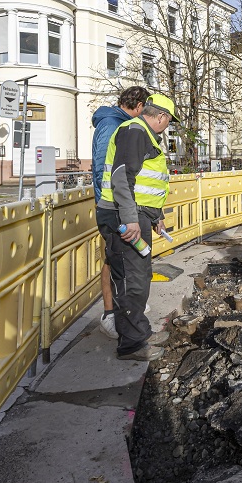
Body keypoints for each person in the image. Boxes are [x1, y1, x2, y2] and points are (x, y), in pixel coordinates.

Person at [96, 93, 178, 361]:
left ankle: (138, 333)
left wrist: (155, 215)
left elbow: (144, 183)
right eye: (169, 121)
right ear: (162, 117)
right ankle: (132, 344)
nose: (167, 126)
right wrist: (130, 218)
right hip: (124, 216)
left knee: (140, 277)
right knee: (131, 281)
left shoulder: (141, 133)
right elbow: (122, 176)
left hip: (137, 214)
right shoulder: (134, 132)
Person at [91, 87, 150, 338]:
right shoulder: (113, 125)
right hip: (114, 206)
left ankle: (126, 309)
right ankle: (111, 315)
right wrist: (113, 206)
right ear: (137, 106)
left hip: (119, 205)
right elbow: (106, 169)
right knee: (113, 259)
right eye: (144, 110)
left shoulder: (121, 124)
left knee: (121, 259)